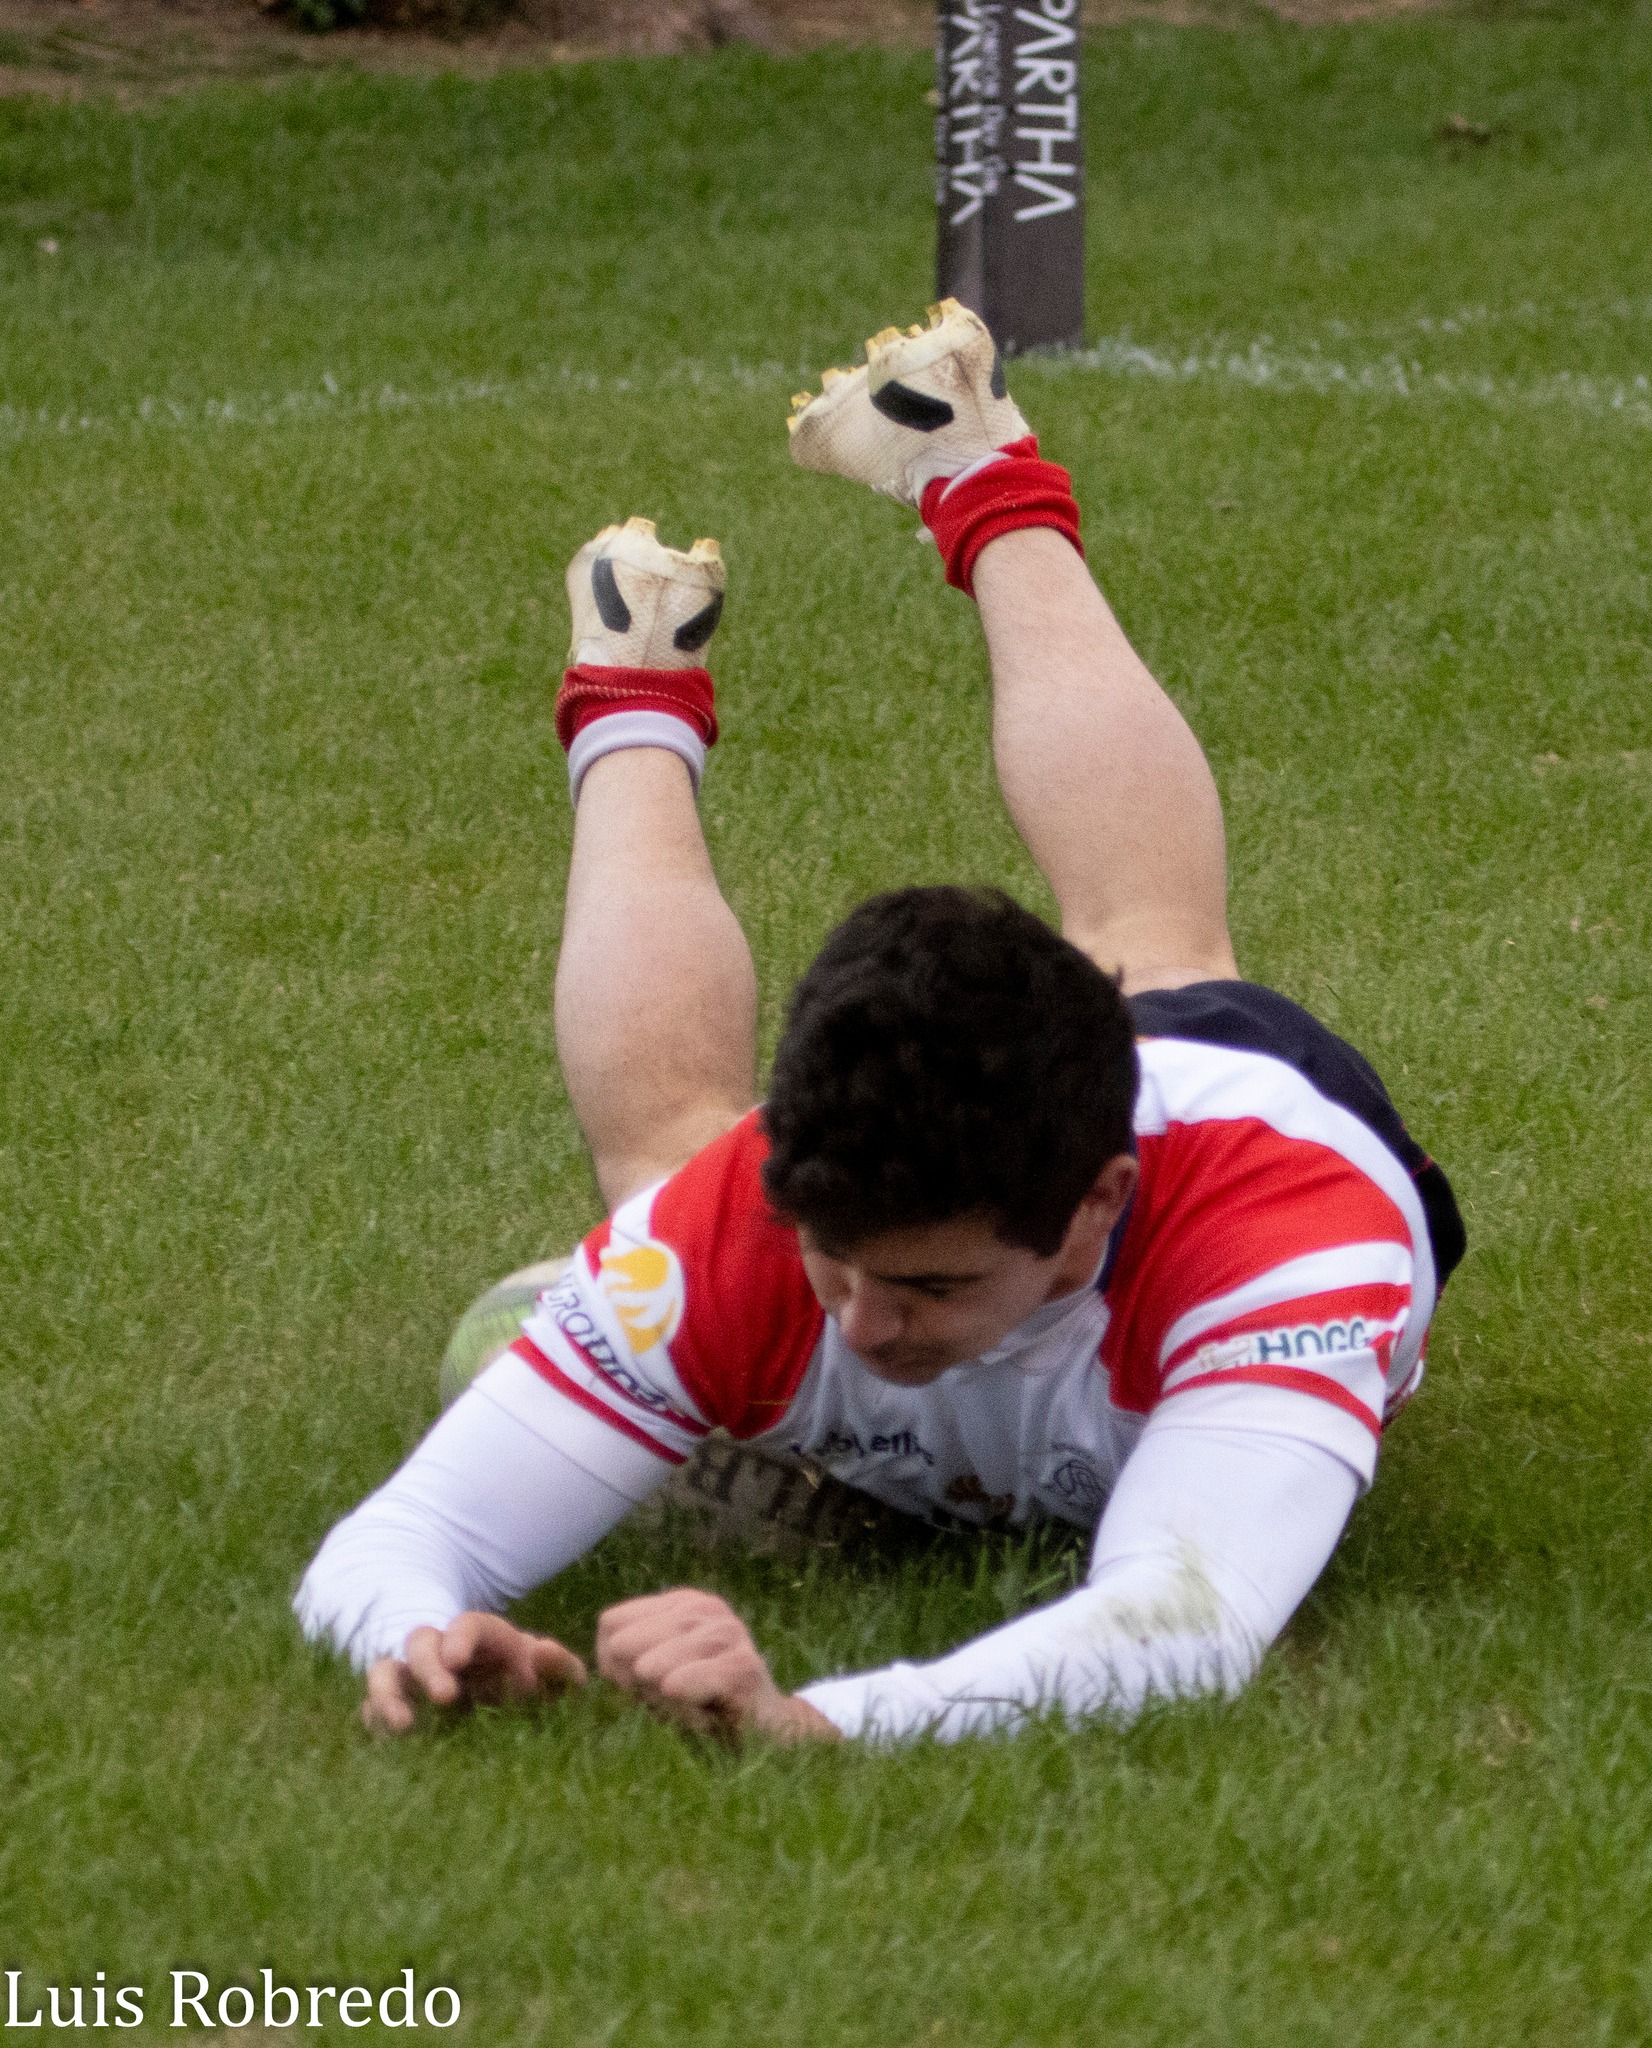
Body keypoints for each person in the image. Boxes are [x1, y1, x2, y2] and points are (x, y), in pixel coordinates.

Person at [296, 302, 1463, 1744]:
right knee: (668, 1162)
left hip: (1227, 1081)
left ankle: (975, 464)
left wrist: (816, 1718)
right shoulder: (742, 1220)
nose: (861, 1322)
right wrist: (415, 1632)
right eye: (831, 1264)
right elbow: (393, 1538)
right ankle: (629, 697)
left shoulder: (1288, 1245)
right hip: (870, 1191)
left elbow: (1183, 1621)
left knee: (1149, 944)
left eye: (926, 1289)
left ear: (1100, 1206)